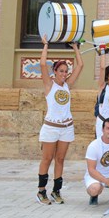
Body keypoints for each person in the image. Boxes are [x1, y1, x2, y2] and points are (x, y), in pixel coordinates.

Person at [37, 35, 84, 205]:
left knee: (61, 159)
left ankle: (56, 191)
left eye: (66, 71)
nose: (64, 74)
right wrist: (46, 45)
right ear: (55, 72)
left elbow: (80, 65)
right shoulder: (49, 84)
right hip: (51, 127)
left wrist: (75, 47)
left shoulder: (67, 85)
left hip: (66, 127)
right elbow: (42, 64)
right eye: (61, 71)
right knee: (47, 158)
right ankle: (41, 191)